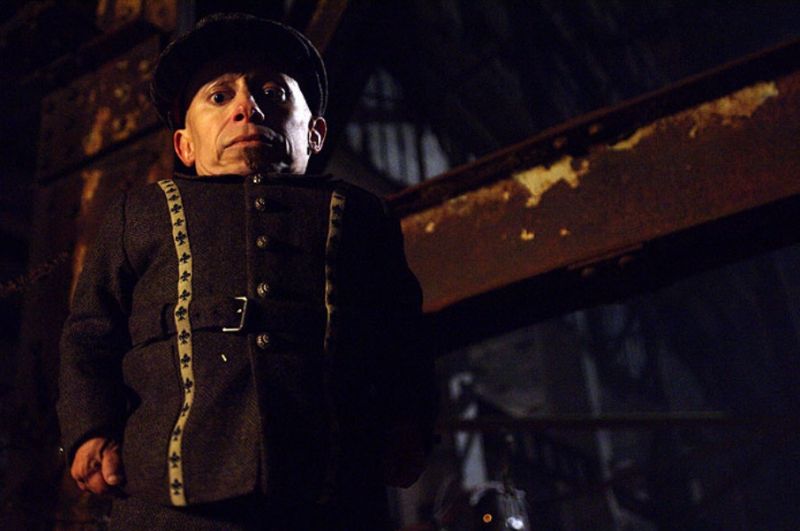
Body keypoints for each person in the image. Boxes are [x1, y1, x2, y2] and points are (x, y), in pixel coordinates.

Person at [57, 13, 436, 530]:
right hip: (165, 506)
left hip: (333, 500)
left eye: (272, 94)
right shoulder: (138, 214)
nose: (246, 108)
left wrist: (410, 424)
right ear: (185, 145)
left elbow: (403, 336)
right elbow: (91, 333)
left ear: (315, 133)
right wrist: (89, 429)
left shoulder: (362, 216)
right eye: (219, 96)